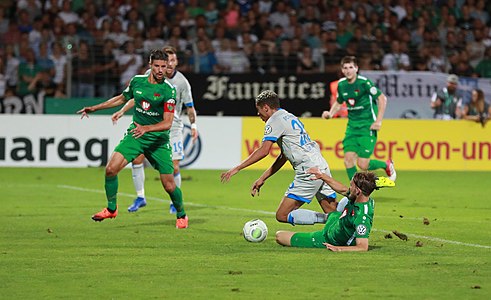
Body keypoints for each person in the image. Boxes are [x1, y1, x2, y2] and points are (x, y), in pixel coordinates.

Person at [77, 49, 188, 229]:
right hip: (136, 135)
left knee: (169, 185)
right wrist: (95, 108)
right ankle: (111, 209)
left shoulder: (168, 91)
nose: (160, 70)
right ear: (150, 65)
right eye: (157, 66)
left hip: (158, 141)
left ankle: (182, 214)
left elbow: (167, 123)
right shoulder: (137, 81)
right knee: (111, 169)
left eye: (164, 66)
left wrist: (147, 128)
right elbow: (121, 99)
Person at [221, 90, 339, 225]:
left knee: (283, 215)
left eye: (259, 110)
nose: (258, 114)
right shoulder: (289, 116)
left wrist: (237, 168)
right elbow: (283, 156)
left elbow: (264, 150)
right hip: (321, 164)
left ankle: (331, 219)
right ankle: (344, 224)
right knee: (331, 210)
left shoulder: (274, 120)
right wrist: (262, 178)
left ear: (266, 107)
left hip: (308, 171)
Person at [112, 46, 198, 214]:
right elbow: (137, 97)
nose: (169, 65)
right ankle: (140, 197)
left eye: (172, 61)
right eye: (167, 61)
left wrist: (194, 125)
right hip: (148, 125)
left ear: (175, 62)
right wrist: (122, 111)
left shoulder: (181, 82)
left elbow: (190, 107)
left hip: (171, 128)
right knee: (137, 160)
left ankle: (175, 203)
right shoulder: (148, 75)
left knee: (173, 168)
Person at [322, 56, 396, 182]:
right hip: (351, 127)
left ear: (356, 68)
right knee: (348, 160)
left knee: (363, 165)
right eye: (345, 68)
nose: (348, 70)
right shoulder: (341, 85)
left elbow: (382, 98)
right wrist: (330, 113)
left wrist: (378, 121)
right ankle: (355, 189)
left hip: (367, 126)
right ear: (342, 70)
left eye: (351, 67)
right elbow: (339, 102)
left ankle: (386, 165)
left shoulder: (364, 83)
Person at [276, 169, 378, 252]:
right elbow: (342, 190)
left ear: (358, 191)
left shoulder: (362, 218)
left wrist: (338, 249)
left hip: (328, 238)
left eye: (351, 186)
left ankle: (325, 219)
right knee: (341, 204)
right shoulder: (360, 197)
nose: (349, 188)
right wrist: (322, 176)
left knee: (280, 236)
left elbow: (362, 247)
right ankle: (326, 217)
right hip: (337, 221)